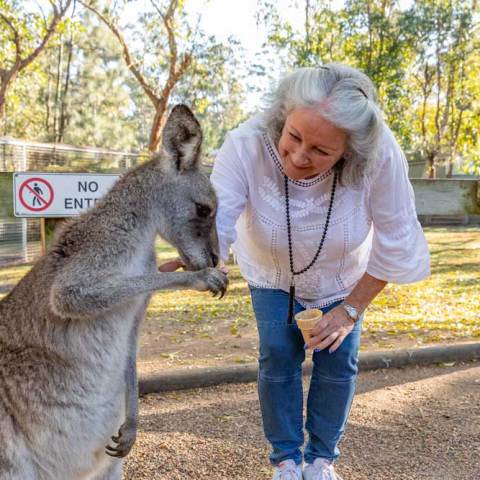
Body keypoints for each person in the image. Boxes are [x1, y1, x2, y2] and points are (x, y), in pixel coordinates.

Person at [209, 63, 430, 480]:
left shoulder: (380, 154)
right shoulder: (245, 143)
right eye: (293, 136)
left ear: (350, 151)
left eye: (321, 151)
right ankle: (287, 461)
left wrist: (350, 310)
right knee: (278, 353)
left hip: (342, 274)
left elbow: (397, 239)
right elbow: (217, 221)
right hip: (272, 271)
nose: (298, 156)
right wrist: (203, 258)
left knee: (339, 358)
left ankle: (321, 461)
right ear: (283, 116)